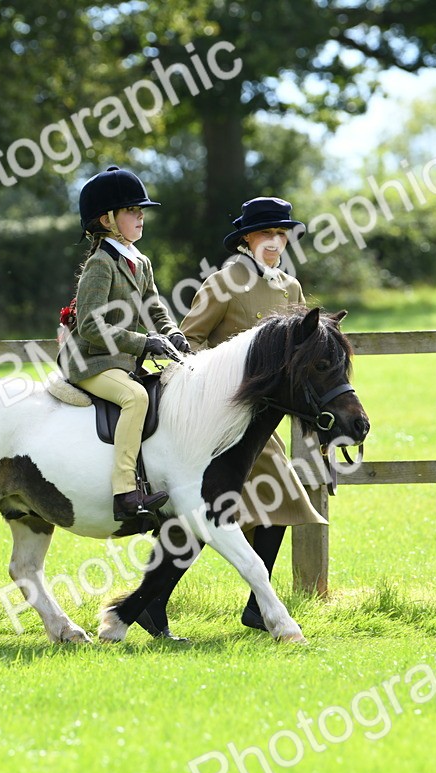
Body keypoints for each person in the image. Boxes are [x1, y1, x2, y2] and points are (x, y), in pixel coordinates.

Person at [136, 196, 327, 636]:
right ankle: (153, 603)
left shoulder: (291, 288)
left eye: (282, 234)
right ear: (246, 238)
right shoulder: (224, 281)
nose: (276, 241)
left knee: (280, 501)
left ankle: (257, 608)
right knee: (207, 515)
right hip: (220, 421)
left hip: (263, 423)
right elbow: (189, 340)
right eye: (267, 234)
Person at [57, 166, 191, 521]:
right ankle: (125, 492)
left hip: (120, 362)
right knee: (136, 397)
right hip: (90, 362)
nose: (141, 216)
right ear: (107, 219)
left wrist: (172, 332)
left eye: (140, 210)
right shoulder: (100, 265)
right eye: (132, 210)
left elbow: (154, 306)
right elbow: (88, 325)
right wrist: (144, 343)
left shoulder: (139, 261)